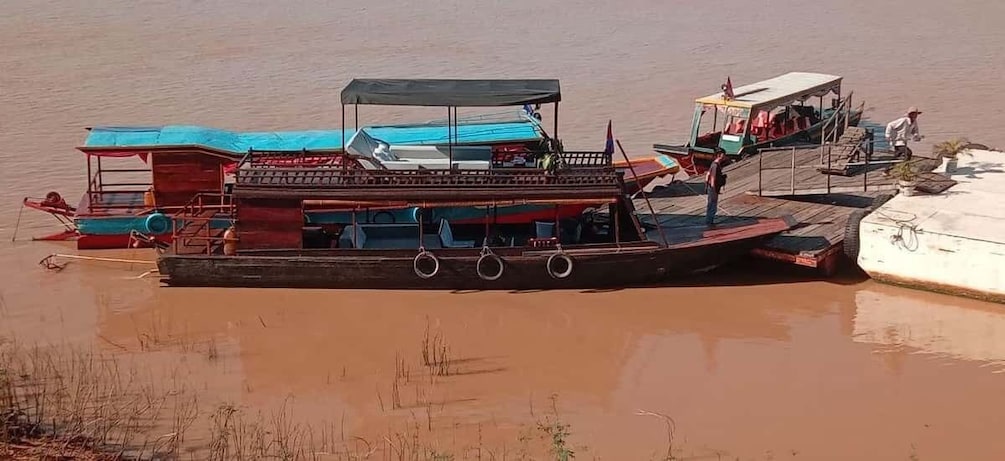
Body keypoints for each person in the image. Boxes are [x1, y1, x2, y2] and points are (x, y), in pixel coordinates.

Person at [705, 148, 727, 227]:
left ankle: (709, 220)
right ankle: (709, 222)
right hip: (713, 188)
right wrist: (713, 188)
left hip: (711, 188)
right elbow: (712, 177)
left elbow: (707, 175)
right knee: (712, 205)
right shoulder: (715, 166)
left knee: (711, 204)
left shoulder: (714, 164)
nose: (724, 156)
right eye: (723, 155)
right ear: (719, 155)